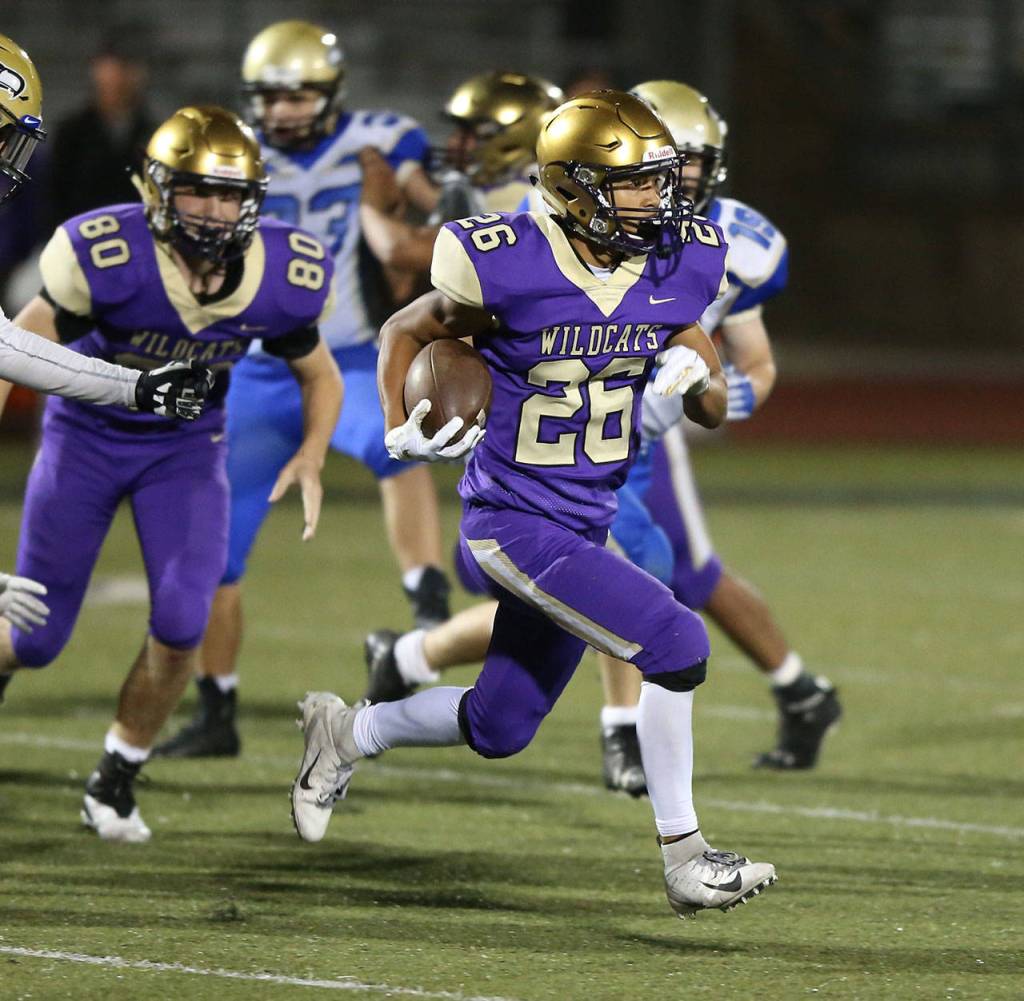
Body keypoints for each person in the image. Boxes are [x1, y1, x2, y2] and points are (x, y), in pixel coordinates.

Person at [293, 90, 777, 919]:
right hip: (510, 518)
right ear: (573, 189)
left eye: (658, 181)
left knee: (500, 724)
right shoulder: (508, 259)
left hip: (585, 516)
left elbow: (709, 396)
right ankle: (687, 857)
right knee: (675, 637)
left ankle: (345, 733)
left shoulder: (679, 261)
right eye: (632, 184)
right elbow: (405, 329)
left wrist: (699, 378)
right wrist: (400, 421)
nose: (656, 199)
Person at [362, 81, 842, 785]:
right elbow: (420, 323)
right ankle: (638, 755)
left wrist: (707, 387)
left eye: (682, 168)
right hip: (536, 460)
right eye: (645, 177)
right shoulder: (534, 240)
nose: (672, 188)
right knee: (628, 592)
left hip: (631, 442)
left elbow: (743, 367)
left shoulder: (706, 247)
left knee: (649, 585)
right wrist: (403, 414)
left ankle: (397, 677)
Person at [0, 105, 343, 843]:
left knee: (185, 619)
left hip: (185, 449)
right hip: (84, 438)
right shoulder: (105, 249)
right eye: (198, 192)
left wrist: (312, 452)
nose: (215, 211)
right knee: (34, 633)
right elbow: (18, 346)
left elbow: (318, 372)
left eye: (230, 195)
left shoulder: (284, 272)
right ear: (158, 191)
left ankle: (114, 779)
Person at [153, 20, 449, 759]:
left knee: (401, 443)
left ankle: (428, 601)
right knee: (216, 545)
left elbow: (441, 204)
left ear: (331, 92)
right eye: (271, 96)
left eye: (298, 94)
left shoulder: (381, 139)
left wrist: (407, 200)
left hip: (345, 353)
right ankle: (216, 708)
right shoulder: (236, 154)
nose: (283, 110)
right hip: (256, 366)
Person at [0, 32, 212, 644]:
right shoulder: (78, 135)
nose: (7, 156)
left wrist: (137, 389)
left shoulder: (140, 131)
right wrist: (136, 389)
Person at [47, 33, 156, 227]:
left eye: (127, 67)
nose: (118, 78)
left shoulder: (154, 135)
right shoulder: (71, 133)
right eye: (112, 68)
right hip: (80, 235)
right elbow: (53, 197)